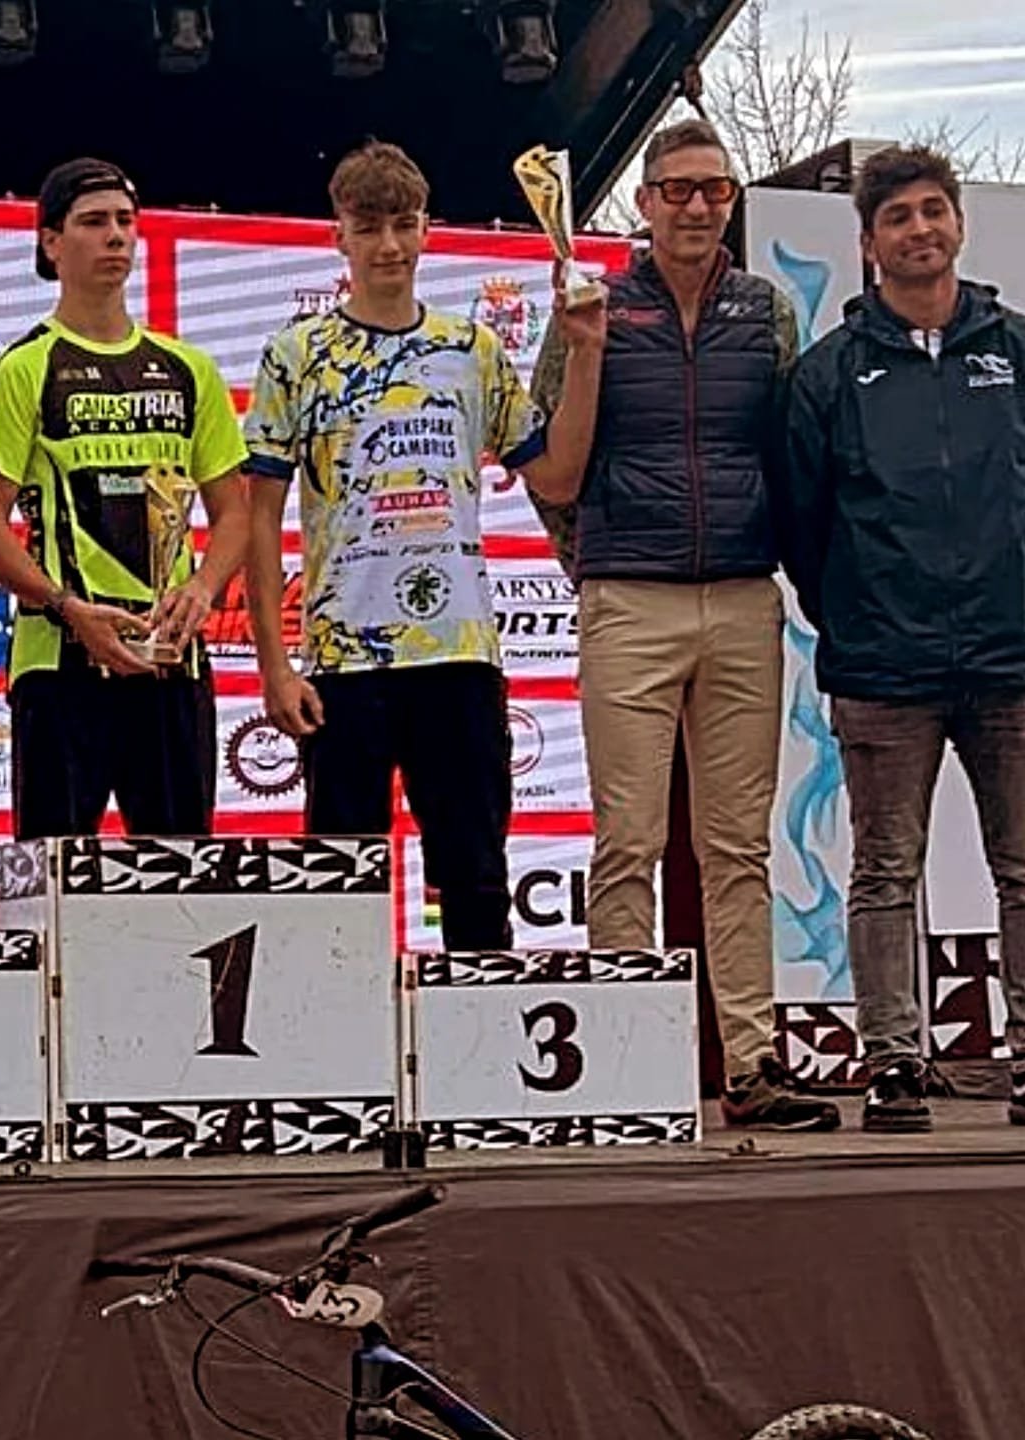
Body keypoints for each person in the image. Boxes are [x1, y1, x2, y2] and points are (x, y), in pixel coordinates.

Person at [529, 117, 839, 1131]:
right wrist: (593, 564)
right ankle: (629, 1070)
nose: (698, 206)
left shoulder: (767, 311)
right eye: (678, 189)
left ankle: (751, 1063)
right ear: (645, 203)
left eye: (714, 189)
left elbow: (791, 456)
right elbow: (552, 470)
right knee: (627, 841)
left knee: (738, 847)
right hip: (630, 597)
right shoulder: (594, 303)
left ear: (731, 201)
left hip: (744, 598)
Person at [243, 140, 604, 952]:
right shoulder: (297, 356)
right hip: (345, 661)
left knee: (474, 883)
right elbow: (259, 515)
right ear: (339, 236)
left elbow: (557, 476)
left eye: (403, 225)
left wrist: (586, 353)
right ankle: (347, 1031)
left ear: (427, 229)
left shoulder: (471, 350)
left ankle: (469, 1035)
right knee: (340, 896)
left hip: (459, 656)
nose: (389, 246)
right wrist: (273, 664)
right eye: (369, 227)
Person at [778, 145, 1025, 1132]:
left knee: (1023, 870)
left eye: (933, 211)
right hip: (883, 667)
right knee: (884, 871)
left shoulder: (1016, 351)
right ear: (868, 242)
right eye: (898, 217)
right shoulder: (829, 373)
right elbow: (801, 524)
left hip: (1012, 659)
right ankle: (892, 1063)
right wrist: (857, 614)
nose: (919, 229)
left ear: (959, 224)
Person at [0, 158, 249, 840]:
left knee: (183, 879)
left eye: (125, 221)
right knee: (54, 882)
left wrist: (203, 589)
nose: (115, 236)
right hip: (60, 659)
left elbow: (236, 512)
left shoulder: (189, 369)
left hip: (170, 657)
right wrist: (67, 607)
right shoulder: (23, 369)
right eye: (93, 222)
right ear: (51, 242)